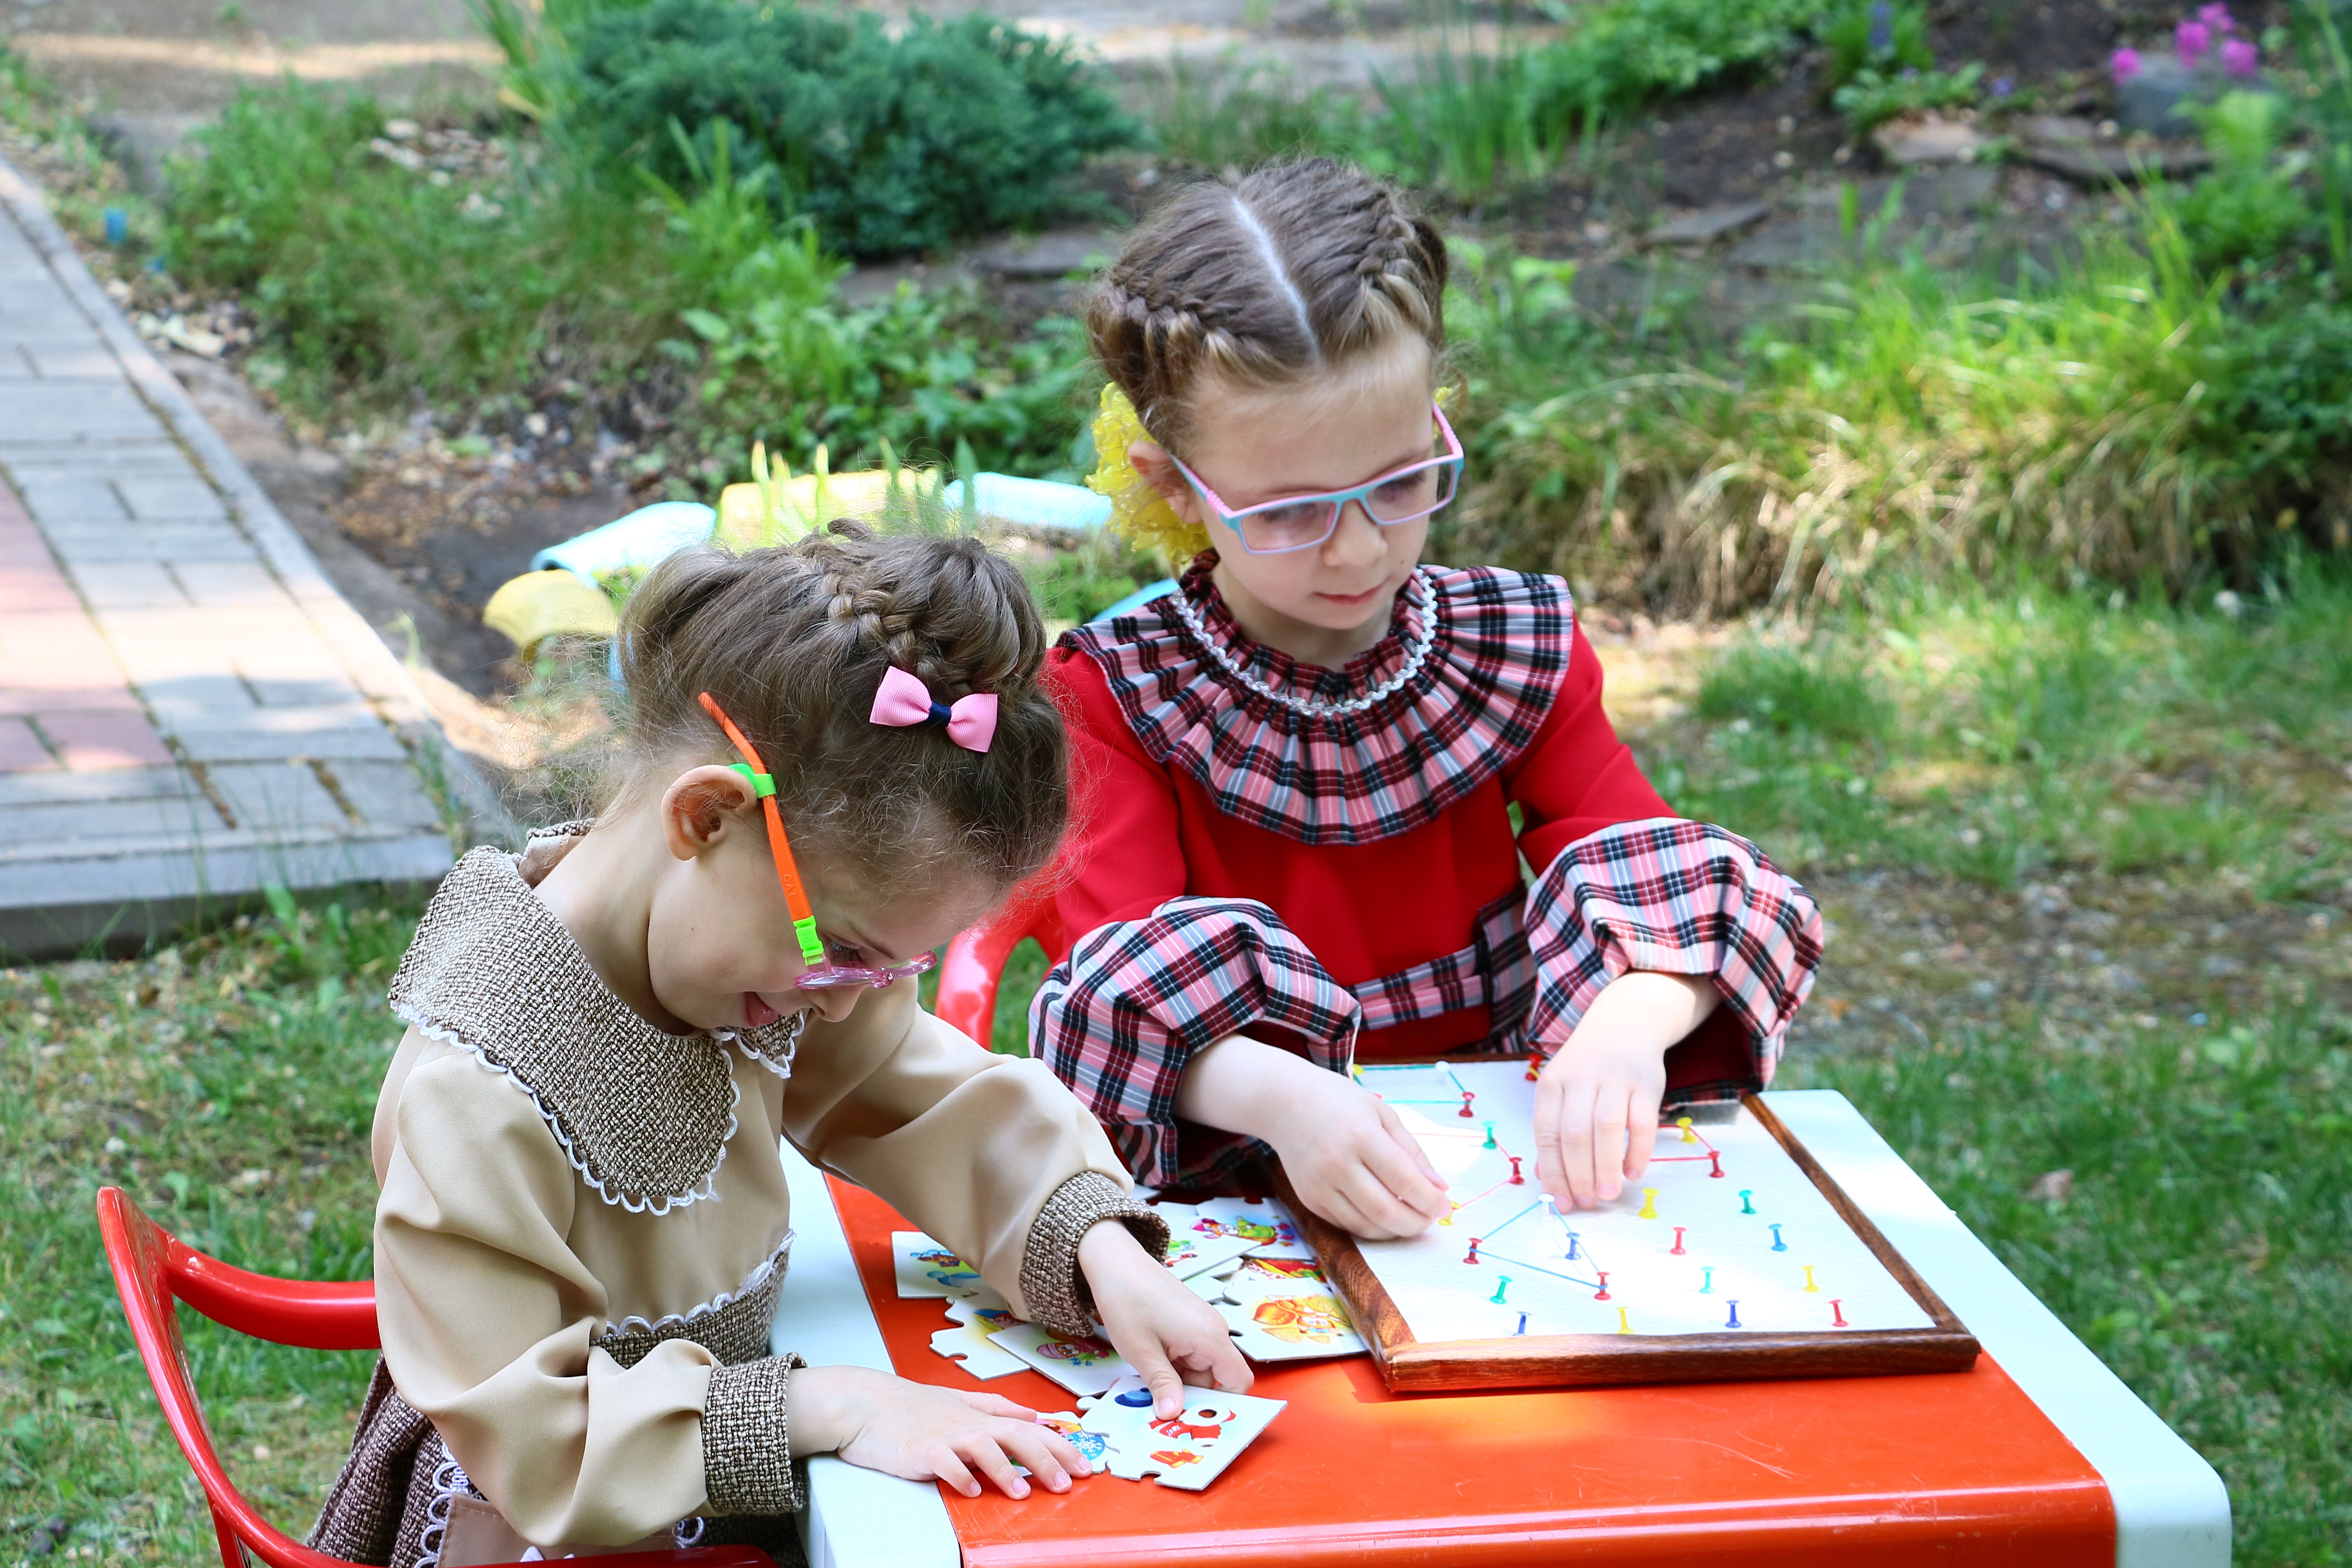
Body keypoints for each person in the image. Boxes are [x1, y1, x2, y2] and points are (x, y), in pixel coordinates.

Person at [310, 525, 1247, 1567]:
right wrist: (828, 1407)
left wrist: (1092, 1242)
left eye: (887, 969)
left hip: (745, 1481)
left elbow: (910, 1090)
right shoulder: (478, 1086)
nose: (842, 1011)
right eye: (845, 953)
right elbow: (537, 1440)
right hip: (554, 1527)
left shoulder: (754, 963)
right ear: (708, 818)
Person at [1033, 159, 1825, 1241]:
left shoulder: (1513, 648)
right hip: (1244, 1171)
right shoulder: (1116, 696)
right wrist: (1286, 1099)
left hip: (1509, 1163)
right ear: (1175, 484)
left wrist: (1631, 1026)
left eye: (1401, 483)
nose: (1360, 549)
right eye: (1291, 512)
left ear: (1435, 417)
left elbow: (1657, 877)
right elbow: (1117, 993)